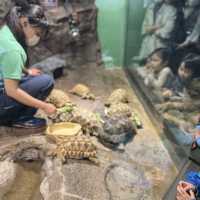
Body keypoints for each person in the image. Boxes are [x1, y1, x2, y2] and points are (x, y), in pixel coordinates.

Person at [0, 0, 56, 128]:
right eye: (37, 33)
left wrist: (26, 71)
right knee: (47, 81)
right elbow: (12, 91)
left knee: (37, 76)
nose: (37, 37)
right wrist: (44, 106)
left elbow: (5, 63)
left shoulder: (5, 31)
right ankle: (20, 118)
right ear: (25, 22)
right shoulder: (13, 49)